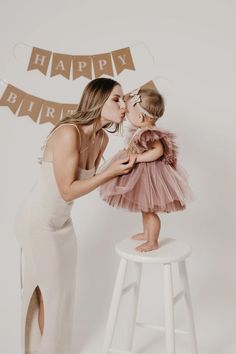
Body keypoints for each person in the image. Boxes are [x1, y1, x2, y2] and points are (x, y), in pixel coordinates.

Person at [14, 78, 137, 354]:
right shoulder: (69, 133)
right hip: (38, 222)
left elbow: (90, 184)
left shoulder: (101, 138)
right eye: (116, 98)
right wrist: (109, 172)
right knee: (49, 295)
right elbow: (67, 191)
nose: (123, 104)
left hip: (62, 224)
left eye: (123, 99)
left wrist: (123, 166)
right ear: (97, 100)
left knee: (63, 297)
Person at [99, 87, 194, 252]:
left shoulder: (149, 133)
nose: (125, 115)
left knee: (150, 210)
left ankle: (152, 241)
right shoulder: (140, 131)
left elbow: (158, 151)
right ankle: (147, 233)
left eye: (128, 112)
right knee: (145, 207)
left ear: (141, 116)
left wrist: (138, 158)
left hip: (150, 174)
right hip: (142, 174)